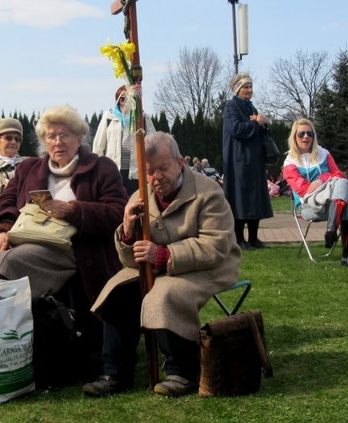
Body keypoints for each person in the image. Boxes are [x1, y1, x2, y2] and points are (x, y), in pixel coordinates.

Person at [0, 105, 128, 368]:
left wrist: (74, 210)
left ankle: (5, 347)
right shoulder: (30, 168)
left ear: (79, 137)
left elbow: (118, 212)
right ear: (43, 140)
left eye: (64, 135)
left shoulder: (100, 168)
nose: (57, 142)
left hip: (70, 248)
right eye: (51, 136)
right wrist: (2, 230)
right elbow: (4, 202)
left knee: (10, 263)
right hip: (22, 236)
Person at [82, 132, 240, 397]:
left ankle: (182, 371)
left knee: (165, 294)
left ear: (180, 163)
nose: (156, 177)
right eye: (149, 171)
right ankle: (115, 371)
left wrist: (163, 255)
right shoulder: (140, 196)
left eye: (163, 168)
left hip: (209, 267)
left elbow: (215, 246)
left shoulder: (208, 192)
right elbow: (129, 259)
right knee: (117, 291)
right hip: (159, 267)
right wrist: (128, 234)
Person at [282, 119, 348, 268]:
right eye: (301, 134)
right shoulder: (289, 163)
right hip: (309, 205)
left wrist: (321, 179)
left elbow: (338, 173)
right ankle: (346, 250)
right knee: (346, 195)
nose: (306, 137)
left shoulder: (323, 153)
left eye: (309, 133)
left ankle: (336, 236)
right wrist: (329, 181)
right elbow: (304, 190)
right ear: (294, 137)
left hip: (331, 201)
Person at [222, 73, 273, 251]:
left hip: (254, 162)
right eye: (246, 87)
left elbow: (260, 128)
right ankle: (239, 239)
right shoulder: (231, 107)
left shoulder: (251, 107)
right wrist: (255, 124)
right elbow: (236, 129)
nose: (249, 90)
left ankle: (253, 238)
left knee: (255, 200)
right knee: (240, 201)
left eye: (251, 86)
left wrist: (263, 123)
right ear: (237, 89)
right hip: (239, 162)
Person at [93, 85, 156, 195]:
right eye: (122, 98)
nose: (125, 102)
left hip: (136, 174)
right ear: (117, 100)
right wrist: (97, 171)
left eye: (128, 98)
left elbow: (154, 145)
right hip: (113, 172)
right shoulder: (109, 117)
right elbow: (98, 146)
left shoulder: (142, 118)